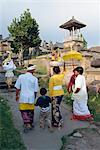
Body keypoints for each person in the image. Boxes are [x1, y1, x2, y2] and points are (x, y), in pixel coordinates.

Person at [15, 64, 39, 133]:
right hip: (31, 97)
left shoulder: (21, 77)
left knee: (23, 111)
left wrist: (17, 95)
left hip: (23, 97)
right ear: (33, 70)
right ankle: (30, 123)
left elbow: (17, 88)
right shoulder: (34, 79)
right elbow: (35, 91)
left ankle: (26, 123)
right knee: (30, 111)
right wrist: (34, 98)